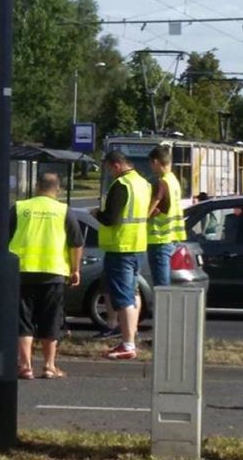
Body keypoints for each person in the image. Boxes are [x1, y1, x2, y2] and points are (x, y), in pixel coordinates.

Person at [9, 173, 84, 379]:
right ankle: (49, 366)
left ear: (36, 186)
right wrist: (75, 269)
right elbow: (76, 244)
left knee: (23, 320)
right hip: (53, 273)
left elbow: (3, 238)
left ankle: (25, 367)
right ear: (57, 189)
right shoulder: (63, 211)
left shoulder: (20, 208)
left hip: (23, 271)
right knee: (51, 319)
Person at [93, 150, 151, 360]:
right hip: (137, 245)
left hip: (120, 247)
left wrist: (96, 214)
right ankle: (130, 338)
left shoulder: (121, 185)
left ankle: (127, 344)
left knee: (123, 297)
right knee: (133, 293)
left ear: (116, 165)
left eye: (109, 168)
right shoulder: (143, 183)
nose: (110, 173)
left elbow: (111, 219)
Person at [147, 145, 187, 287]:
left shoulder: (161, 182)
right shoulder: (174, 181)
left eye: (151, 164)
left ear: (156, 162)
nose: (151, 168)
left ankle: (163, 309)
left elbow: (148, 212)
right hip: (171, 237)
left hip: (158, 239)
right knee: (164, 283)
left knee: (161, 285)